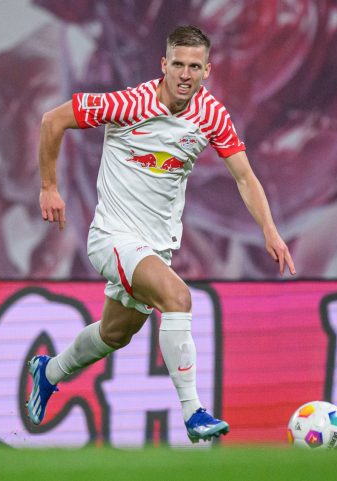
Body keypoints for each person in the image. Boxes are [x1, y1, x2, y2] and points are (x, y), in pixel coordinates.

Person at [28, 25, 295, 443]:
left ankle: (50, 371)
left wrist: (271, 231)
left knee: (115, 333)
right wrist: (48, 187)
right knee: (179, 298)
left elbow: (245, 177)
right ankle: (194, 414)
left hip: (155, 247)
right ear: (163, 65)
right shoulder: (129, 103)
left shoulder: (211, 116)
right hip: (111, 237)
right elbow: (53, 120)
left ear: (207, 70)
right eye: (177, 65)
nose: (185, 74)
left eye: (194, 66)